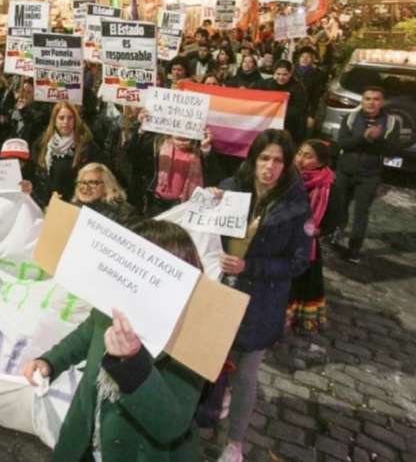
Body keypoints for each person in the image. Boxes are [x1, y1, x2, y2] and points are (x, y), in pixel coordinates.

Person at [22, 220, 205, 462]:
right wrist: (51, 361)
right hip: (85, 439)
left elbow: (170, 425)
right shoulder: (116, 302)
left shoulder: (194, 338)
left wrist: (132, 363)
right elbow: (86, 333)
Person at [214, 129, 311, 462]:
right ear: (253, 160)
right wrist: (205, 203)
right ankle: (204, 411)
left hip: (260, 303)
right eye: (264, 158)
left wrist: (250, 266)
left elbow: (299, 261)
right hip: (218, 295)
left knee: (245, 375)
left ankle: (234, 442)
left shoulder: (296, 205)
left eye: (278, 161)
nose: (270, 167)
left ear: (287, 166)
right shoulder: (229, 189)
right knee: (207, 361)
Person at [332, 86, 401, 263]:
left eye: (376, 99)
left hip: (370, 175)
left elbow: (392, 151)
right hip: (345, 171)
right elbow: (342, 144)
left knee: (361, 212)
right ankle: (335, 235)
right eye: (368, 98)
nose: (371, 102)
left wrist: (378, 139)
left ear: (382, 102)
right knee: (340, 206)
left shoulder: (392, 122)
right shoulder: (351, 117)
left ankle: (354, 249)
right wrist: (365, 137)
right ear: (362, 101)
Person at [287, 140, 341, 334]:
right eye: (299, 153)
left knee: (301, 282)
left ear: (320, 163)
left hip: (306, 243)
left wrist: (318, 230)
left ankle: (295, 318)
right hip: (283, 236)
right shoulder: (287, 176)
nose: (300, 159)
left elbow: (337, 216)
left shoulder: (329, 186)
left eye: (307, 156)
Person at [32, 102, 100, 208]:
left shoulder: (86, 147)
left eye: (70, 118)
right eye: (61, 118)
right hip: (45, 205)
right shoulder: (42, 143)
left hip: (73, 207)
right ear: (54, 121)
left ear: (75, 120)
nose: (66, 122)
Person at [253, 60, 309, 145]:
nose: (281, 77)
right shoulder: (265, 84)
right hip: (267, 125)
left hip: (289, 127)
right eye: (278, 74)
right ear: (274, 73)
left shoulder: (298, 88)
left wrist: (279, 112)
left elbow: (299, 109)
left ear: (290, 74)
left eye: (285, 74)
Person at [72, 162, 136, 226]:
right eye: (82, 182)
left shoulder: (124, 213)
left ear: (107, 186)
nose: (86, 187)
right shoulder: (72, 208)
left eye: (93, 183)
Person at [293, 46, 326, 135]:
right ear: (299, 58)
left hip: (305, 111)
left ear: (312, 59)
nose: (305, 59)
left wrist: (311, 116)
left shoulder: (318, 75)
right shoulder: (291, 71)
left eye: (308, 57)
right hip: (290, 109)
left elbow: (315, 97)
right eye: (302, 56)